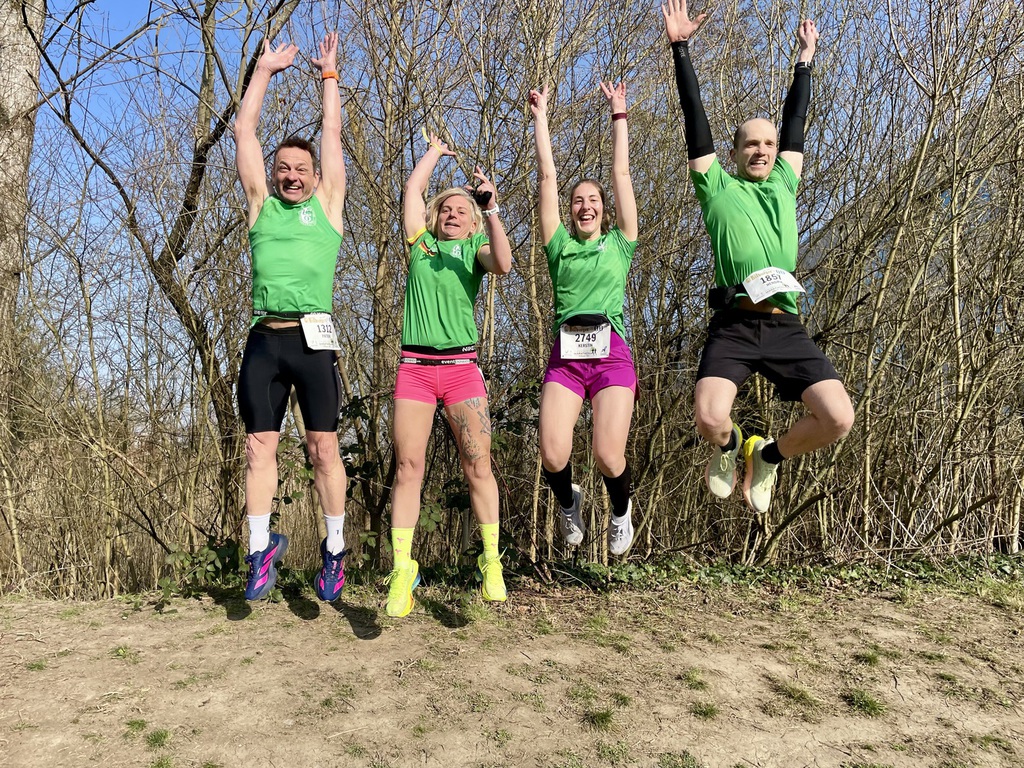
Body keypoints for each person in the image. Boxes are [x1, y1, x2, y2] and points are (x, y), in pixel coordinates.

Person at [661, 0, 855, 514]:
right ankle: (730, 446)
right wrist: (680, 49)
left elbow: (797, 119)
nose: (762, 150)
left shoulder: (786, 182)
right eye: (750, 144)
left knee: (839, 417)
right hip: (734, 327)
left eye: (769, 143)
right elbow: (694, 115)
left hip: (785, 325)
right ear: (734, 152)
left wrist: (805, 60)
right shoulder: (715, 186)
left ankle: (766, 455)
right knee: (709, 417)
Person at [234, 33, 350, 602]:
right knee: (258, 448)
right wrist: (264, 70)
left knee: (323, 449)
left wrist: (328, 76)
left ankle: (334, 550)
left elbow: (332, 134)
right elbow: (244, 132)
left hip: (313, 342)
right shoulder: (261, 205)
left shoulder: (327, 207)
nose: (291, 175)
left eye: (300, 168)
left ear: (315, 176)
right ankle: (261, 551)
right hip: (265, 340)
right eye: (283, 168)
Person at [384, 134, 513, 618]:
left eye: (462, 210)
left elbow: (503, 263)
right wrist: (434, 154)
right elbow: (411, 191)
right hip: (415, 371)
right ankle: (403, 569)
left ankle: (491, 560)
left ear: (473, 222)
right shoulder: (420, 246)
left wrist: (491, 208)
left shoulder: (477, 247)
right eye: (446, 209)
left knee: (479, 466)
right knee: (408, 469)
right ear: (434, 217)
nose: (453, 214)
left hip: (461, 372)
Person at [529, 83, 639, 557]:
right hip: (567, 356)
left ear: (604, 210)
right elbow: (547, 176)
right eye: (578, 200)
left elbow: (621, 172)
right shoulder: (558, 245)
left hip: (611, 355)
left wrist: (619, 115)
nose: (585, 205)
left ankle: (621, 511)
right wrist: (541, 117)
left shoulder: (621, 242)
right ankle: (568, 503)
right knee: (553, 453)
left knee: (608, 455)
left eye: (593, 199)